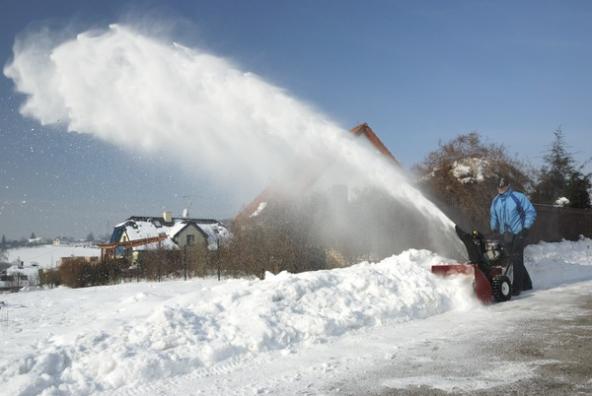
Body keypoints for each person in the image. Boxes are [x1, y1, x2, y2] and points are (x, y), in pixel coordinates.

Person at [490, 176, 536, 295]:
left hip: (519, 233)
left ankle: (517, 287)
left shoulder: (518, 197)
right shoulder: (496, 201)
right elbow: (494, 216)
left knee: (516, 258)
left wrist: (525, 228)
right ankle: (527, 284)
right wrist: (494, 228)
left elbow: (530, 212)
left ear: (508, 186)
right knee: (515, 259)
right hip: (505, 235)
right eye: (499, 187)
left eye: (503, 187)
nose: (501, 189)